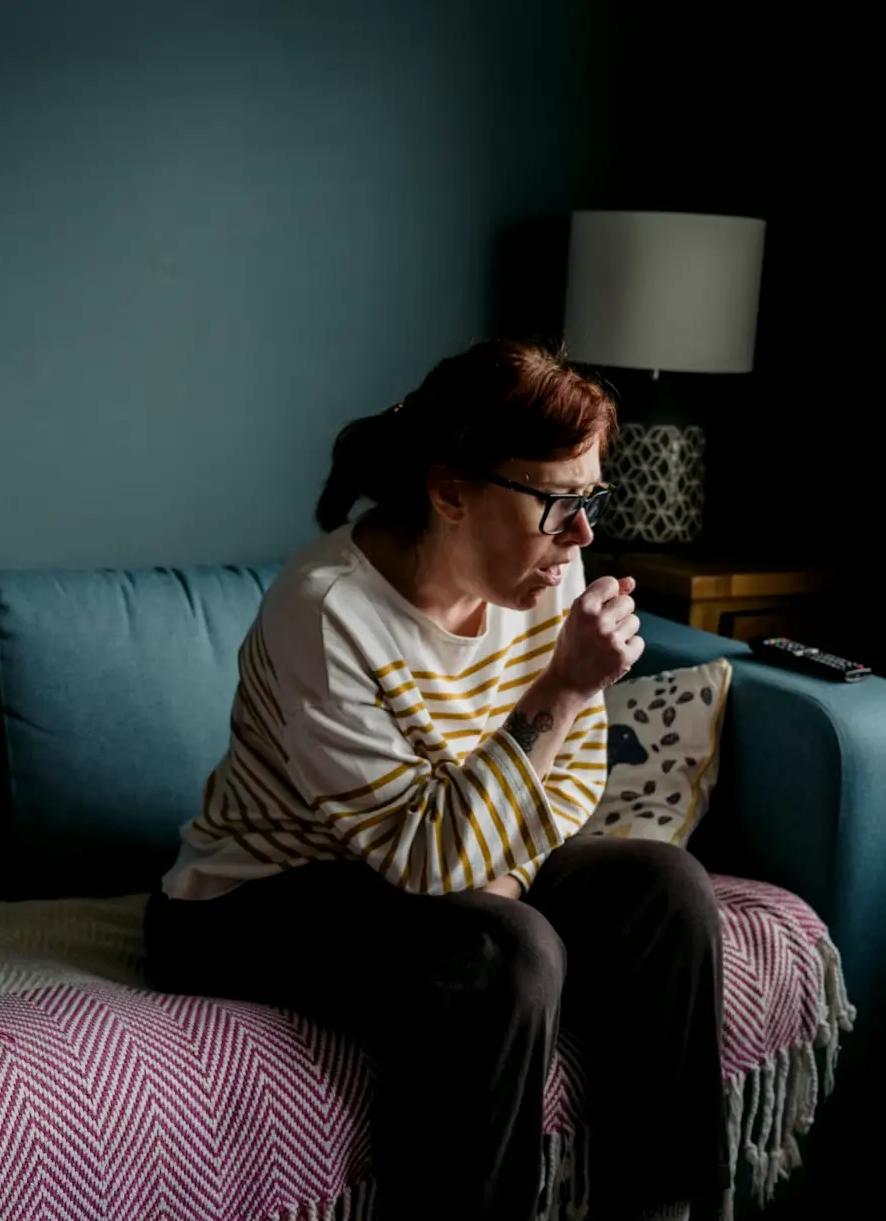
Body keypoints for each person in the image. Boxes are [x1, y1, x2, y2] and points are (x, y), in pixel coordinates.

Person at [145, 338, 728, 1221]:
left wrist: (501, 875)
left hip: (452, 862)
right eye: (557, 503)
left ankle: (662, 1210)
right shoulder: (329, 610)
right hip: (252, 901)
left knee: (666, 887)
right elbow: (420, 861)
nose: (581, 535)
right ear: (451, 492)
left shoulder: (550, 570)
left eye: (590, 499)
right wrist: (564, 688)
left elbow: (574, 781)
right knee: (503, 952)